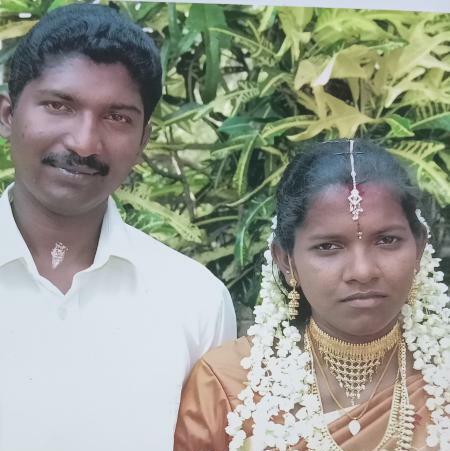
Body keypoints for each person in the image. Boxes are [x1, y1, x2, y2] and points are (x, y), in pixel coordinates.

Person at [0, 4, 236, 451]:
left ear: (144, 139)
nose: (84, 143)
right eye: (59, 105)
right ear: (8, 115)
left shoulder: (196, 302)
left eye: (117, 117)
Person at [174, 139, 450, 451]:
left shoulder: (442, 376)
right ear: (286, 260)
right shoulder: (228, 384)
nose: (362, 271)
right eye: (328, 246)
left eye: (387, 240)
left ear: (419, 248)